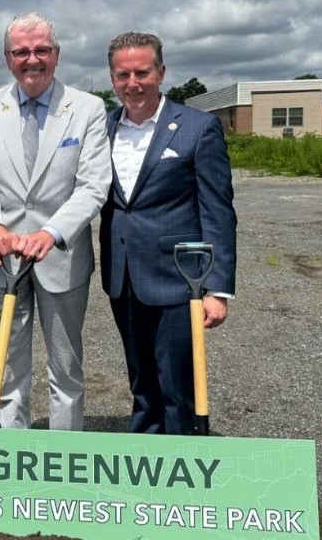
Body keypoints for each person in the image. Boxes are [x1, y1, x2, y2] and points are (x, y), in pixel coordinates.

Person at [0, 12, 111, 430]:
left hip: (61, 257)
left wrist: (51, 232)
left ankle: (65, 456)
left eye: (42, 50)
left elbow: (93, 185)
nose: (32, 59)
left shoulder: (87, 109)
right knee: (7, 370)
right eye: (21, 52)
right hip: (1, 258)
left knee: (66, 370)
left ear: (56, 55)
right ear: (8, 58)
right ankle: (13, 455)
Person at [100, 32, 237, 435]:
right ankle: (145, 451)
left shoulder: (198, 127)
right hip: (122, 276)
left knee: (178, 384)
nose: (133, 83)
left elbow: (217, 212)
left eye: (142, 73)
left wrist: (218, 288)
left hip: (179, 279)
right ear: (112, 78)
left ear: (161, 72)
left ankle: (183, 455)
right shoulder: (103, 129)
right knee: (141, 380)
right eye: (123, 75)